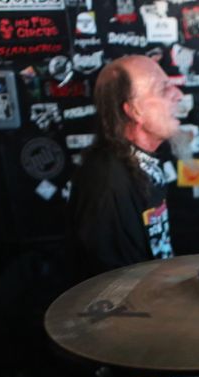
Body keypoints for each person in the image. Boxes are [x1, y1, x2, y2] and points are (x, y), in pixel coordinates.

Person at [67, 55, 183, 280]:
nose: (178, 95)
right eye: (163, 89)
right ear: (134, 110)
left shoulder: (139, 161)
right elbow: (117, 285)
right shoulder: (108, 183)